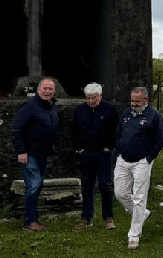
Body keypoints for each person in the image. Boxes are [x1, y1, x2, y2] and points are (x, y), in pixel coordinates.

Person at [114, 86, 163, 250]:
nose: (134, 104)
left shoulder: (154, 116)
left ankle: (134, 235)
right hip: (123, 160)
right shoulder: (126, 113)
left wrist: (148, 159)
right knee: (120, 193)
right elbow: (119, 133)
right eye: (132, 101)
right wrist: (119, 150)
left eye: (137, 101)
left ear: (146, 100)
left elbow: (160, 141)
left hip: (141, 162)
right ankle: (143, 214)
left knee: (139, 198)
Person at [11, 78, 59, 232]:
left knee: (37, 187)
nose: (47, 92)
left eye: (50, 89)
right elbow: (17, 129)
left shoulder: (51, 106)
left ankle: (33, 219)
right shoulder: (29, 106)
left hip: (43, 153)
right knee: (34, 186)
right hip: (29, 154)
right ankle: (29, 222)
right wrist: (21, 151)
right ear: (38, 90)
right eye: (45, 88)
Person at [72, 82, 119, 230]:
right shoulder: (80, 110)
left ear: (100, 96)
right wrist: (79, 148)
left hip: (103, 153)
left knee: (105, 184)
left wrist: (109, 147)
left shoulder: (109, 109)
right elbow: (74, 130)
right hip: (86, 153)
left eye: (94, 98)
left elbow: (116, 130)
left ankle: (108, 217)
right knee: (86, 185)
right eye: (88, 98)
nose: (91, 101)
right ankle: (86, 217)